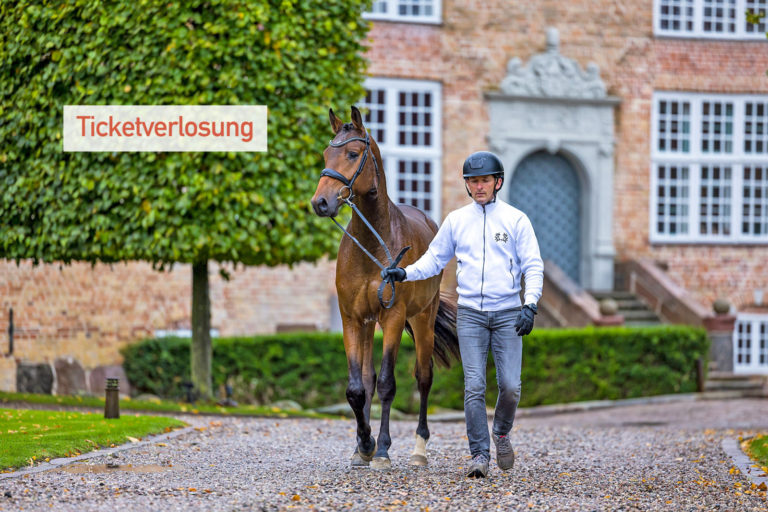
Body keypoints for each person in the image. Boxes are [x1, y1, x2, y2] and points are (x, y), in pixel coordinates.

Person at [382, 150, 543, 478]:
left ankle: (500, 432)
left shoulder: (516, 220)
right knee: (473, 386)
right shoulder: (457, 220)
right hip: (470, 313)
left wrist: (530, 304)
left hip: (508, 311)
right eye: (473, 181)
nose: (479, 186)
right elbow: (434, 259)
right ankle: (479, 455)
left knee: (511, 386)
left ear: (497, 182)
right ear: (467, 185)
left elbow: (533, 264)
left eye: (484, 180)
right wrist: (405, 273)